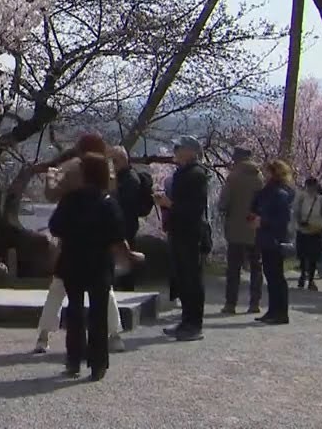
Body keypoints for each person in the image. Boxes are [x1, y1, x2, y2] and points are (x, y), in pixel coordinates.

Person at [49, 152, 145, 381]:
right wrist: (129, 255)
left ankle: (74, 359)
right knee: (98, 313)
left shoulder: (70, 200)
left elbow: (55, 227)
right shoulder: (107, 202)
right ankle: (98, 363)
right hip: (99, 263)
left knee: (74, 310)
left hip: (72, 260)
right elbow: (117, 236)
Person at [157, 135, 210, 342]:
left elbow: (195, 207)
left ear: (191, 151)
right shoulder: (183, 173)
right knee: (182, 278)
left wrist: (170, 204)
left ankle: (194, 324)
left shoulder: (196, 175)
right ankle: (185, 320)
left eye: (179, 148)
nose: (175, 151)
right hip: (178, 230)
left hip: (190, 232)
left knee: (191, 279)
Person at [217, 148, 263, 315]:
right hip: (254, 228)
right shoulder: (260, 177)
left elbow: (223, 203)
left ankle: (231, 304)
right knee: (256, 266)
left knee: (234, 268)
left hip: (235, 228)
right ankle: (254, 303)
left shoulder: (233, 177)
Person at [250, 160, 295, 325]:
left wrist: (263, 221)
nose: (264, 174)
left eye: (267, 171)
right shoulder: (266, 192)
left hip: (275, 239)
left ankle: (281, 312)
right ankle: (272, 310)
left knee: (277, 277)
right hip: (265, 237)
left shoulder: (280, 193)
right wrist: (253, 217)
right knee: (270, 275)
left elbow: (283, 220)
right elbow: (256, 207)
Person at [109, 146, 154, 292]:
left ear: (123, 160)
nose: (112, 165)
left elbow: (125, 205)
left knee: (125, 263)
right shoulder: (122, 177)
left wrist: (113, 192)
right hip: (122, 225)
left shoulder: (130, 179)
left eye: (115, 161)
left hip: (126, 226)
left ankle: (126, 290)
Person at [292, 177, 322, 290]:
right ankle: (303, 275)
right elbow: (295, 211)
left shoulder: (321, 200)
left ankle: (310, 279)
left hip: (316, 230)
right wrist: (298, 223)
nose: (311, 189)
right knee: (302, 255)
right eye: (309, 186)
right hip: (303, 230)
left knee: (313, 257)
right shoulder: (301, 198)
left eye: (313, 186)